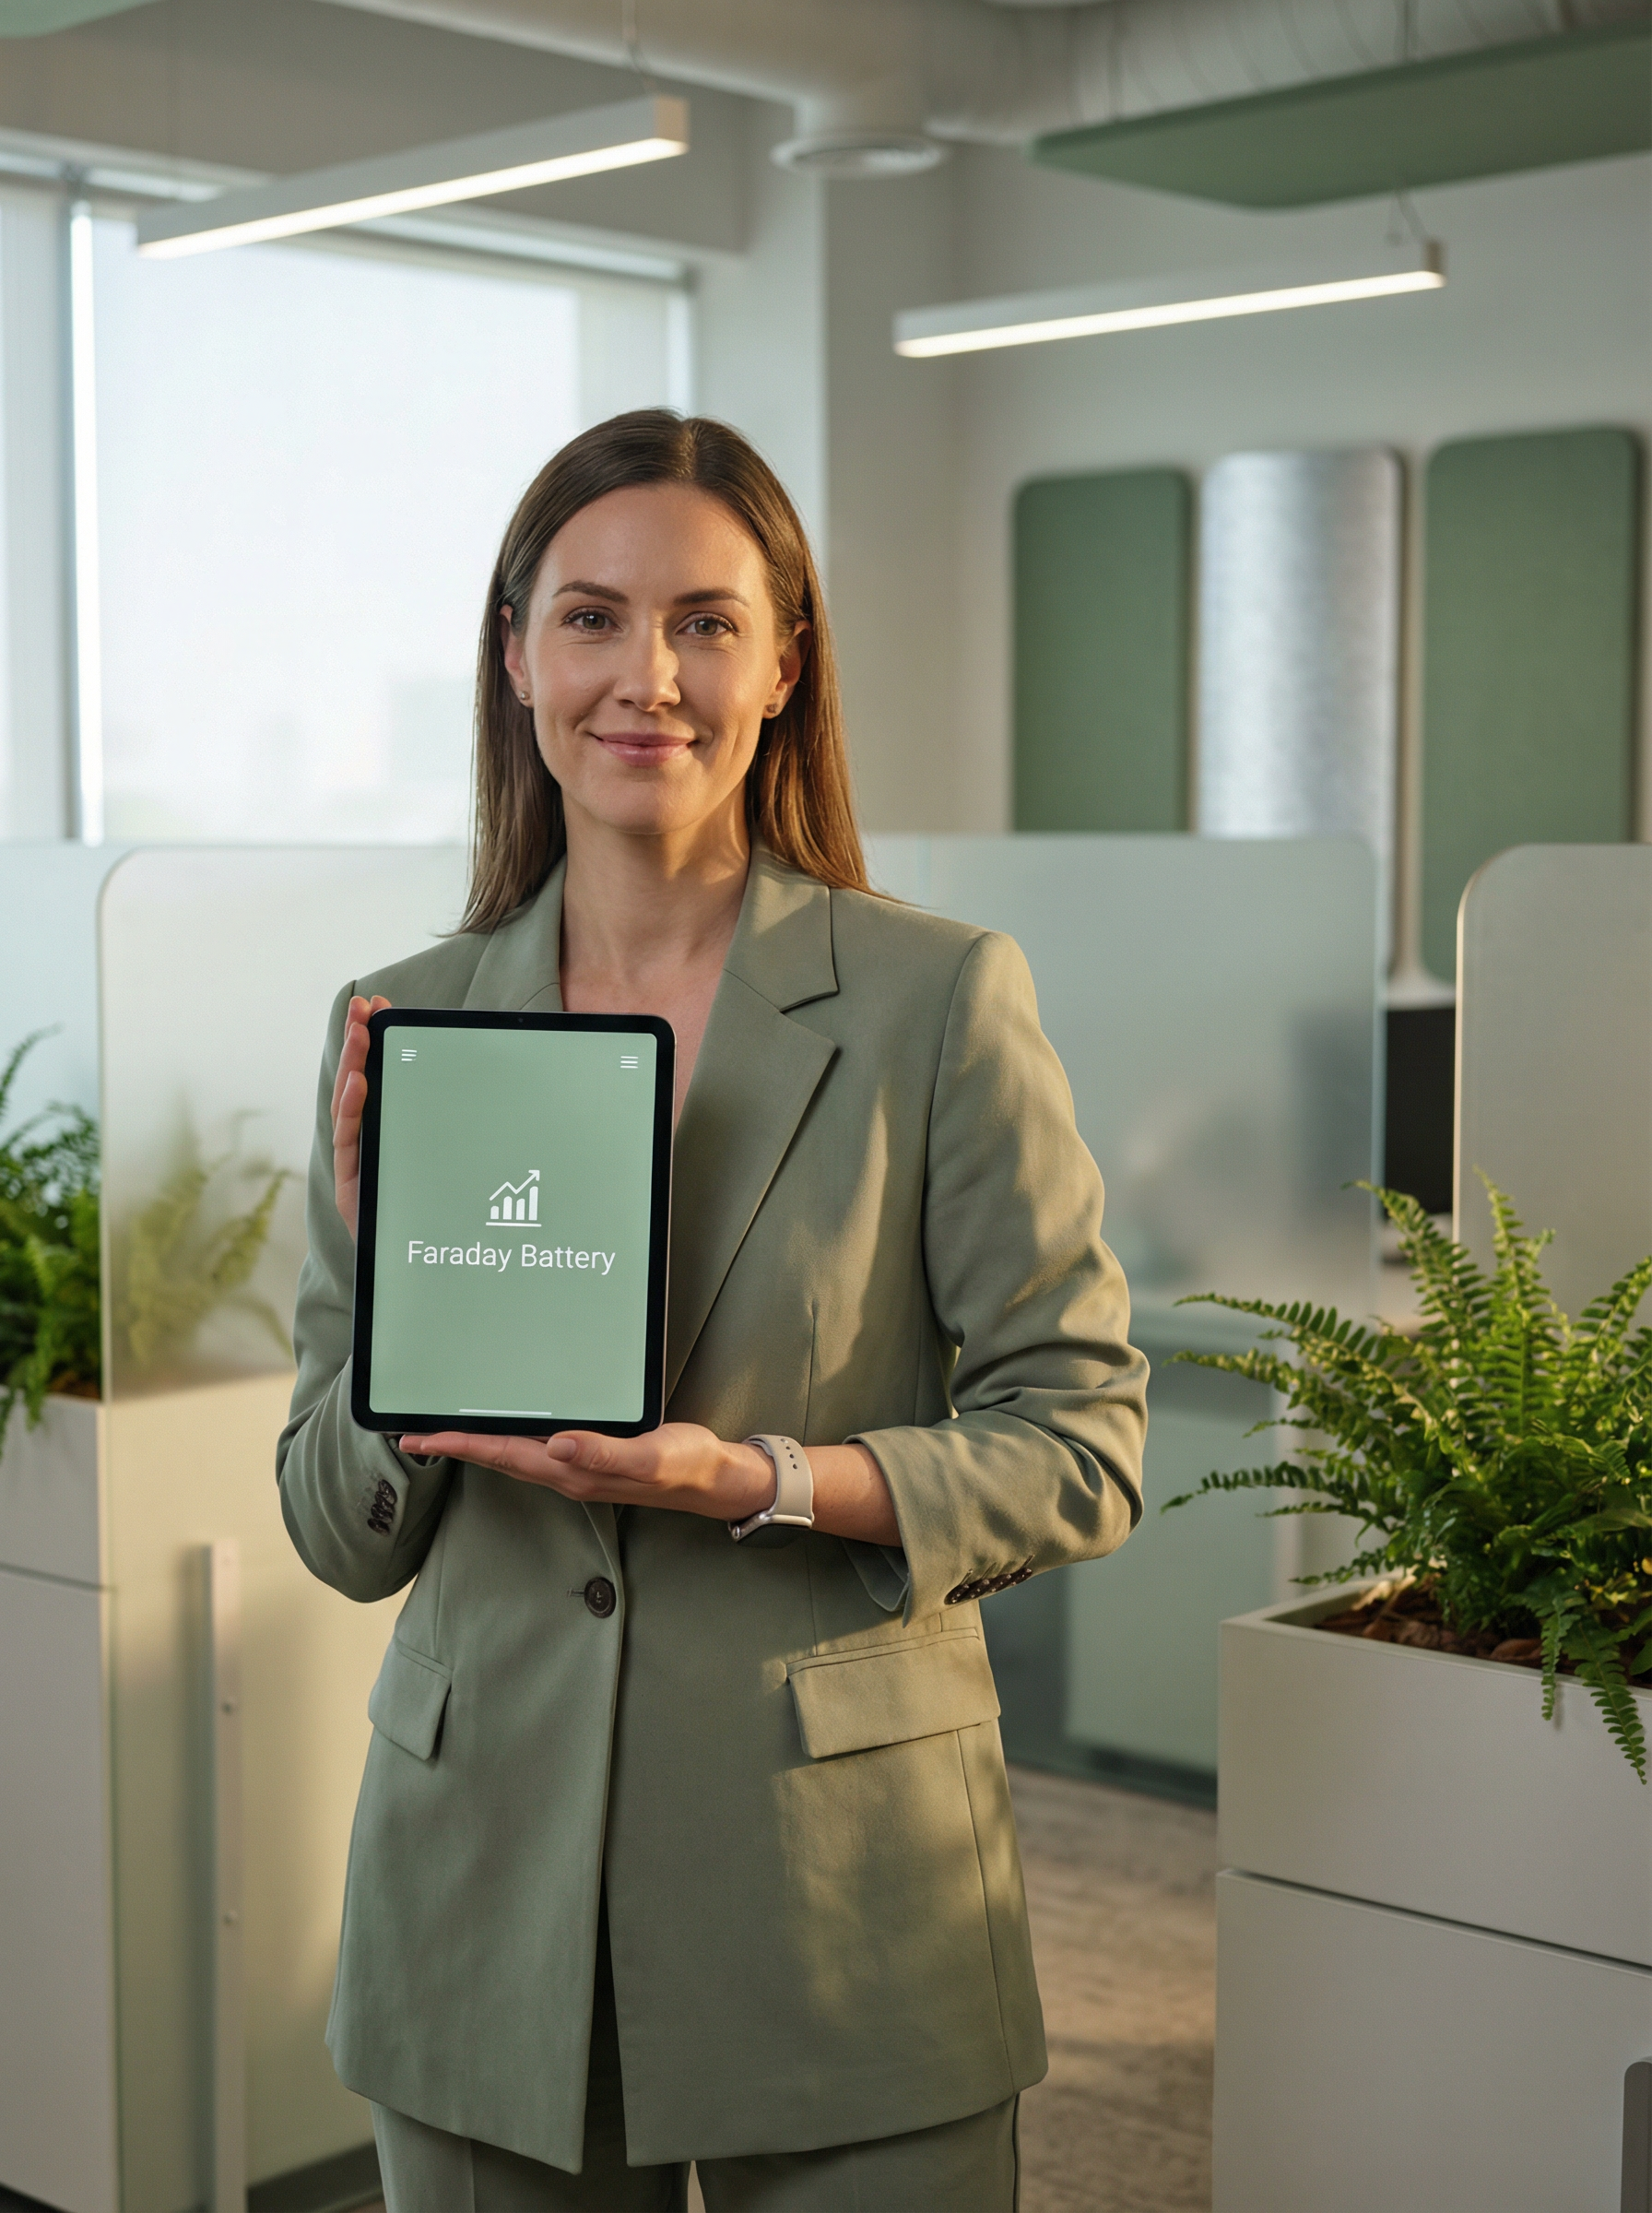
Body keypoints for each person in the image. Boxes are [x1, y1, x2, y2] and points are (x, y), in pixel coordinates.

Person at [278, 408, 1147, 2213]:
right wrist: (392, 1315)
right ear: (517, 652)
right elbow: (338, 1533)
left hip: (842, 1907)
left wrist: (754, 1479)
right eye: (590, 618)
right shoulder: (406, 1023)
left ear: (780, 660)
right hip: (478, 1910)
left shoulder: (933, 1001)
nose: (644, 677)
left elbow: (1079, 1444)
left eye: (703, 621)